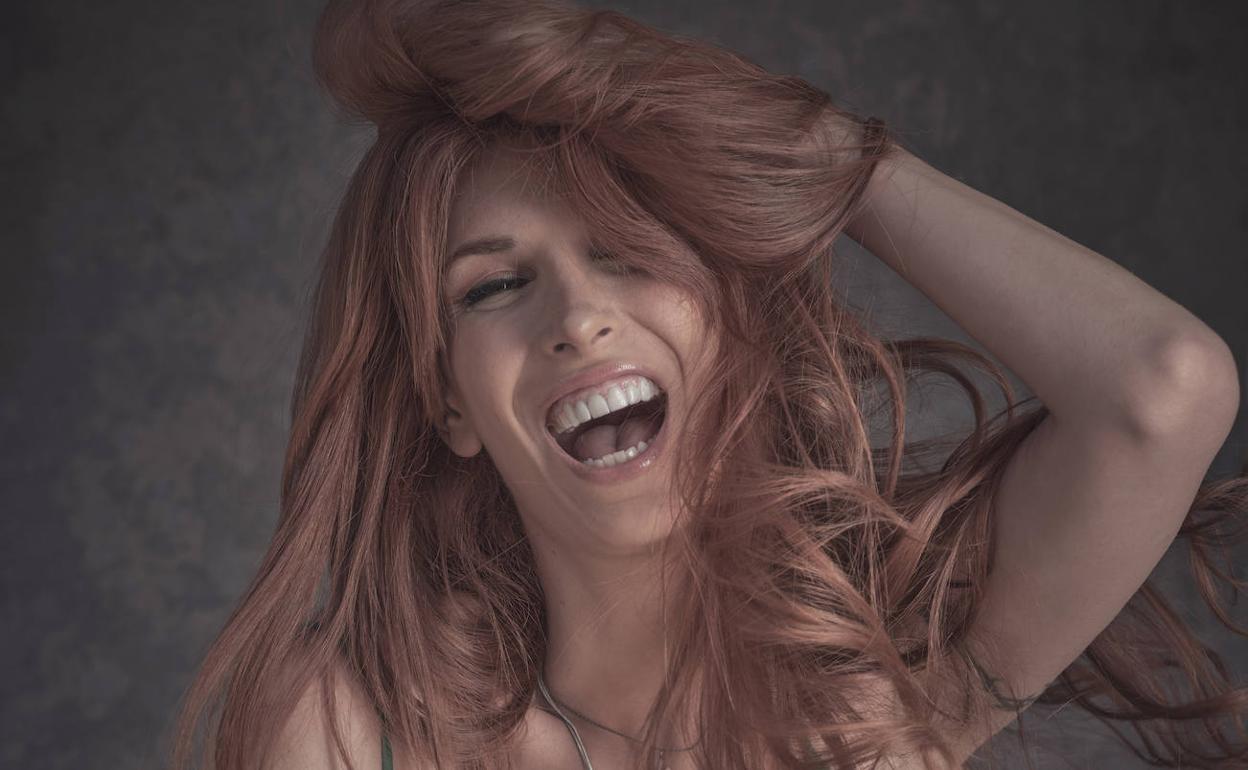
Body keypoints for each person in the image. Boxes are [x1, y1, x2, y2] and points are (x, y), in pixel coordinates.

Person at [169, 1, 1248, 768]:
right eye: (494, 286)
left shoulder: (888, 692)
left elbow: (1165, 386)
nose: (578, 317)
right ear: (449, 402)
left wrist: (817, 153)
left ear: (727, 320)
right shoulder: (346, 729)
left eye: (628, 252)